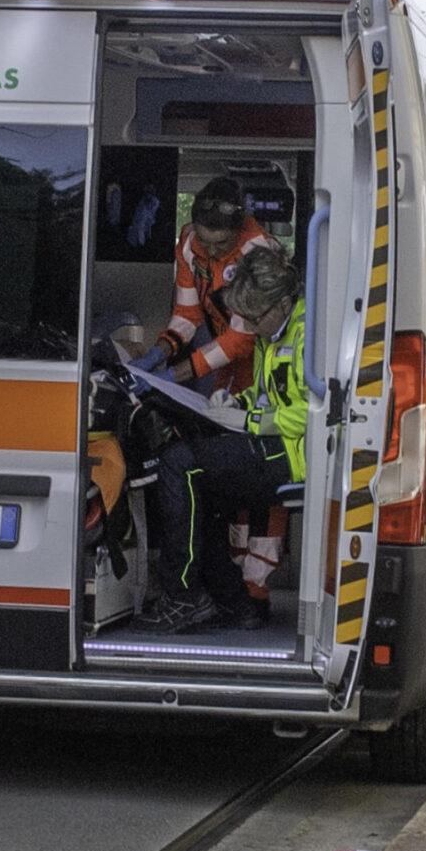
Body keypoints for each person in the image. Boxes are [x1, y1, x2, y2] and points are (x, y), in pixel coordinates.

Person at [140, 247, 307, 632]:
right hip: (274, 442)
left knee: (180, 465)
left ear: (283, 303)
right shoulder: (275, 328)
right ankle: (233, 601)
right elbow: (271, 394)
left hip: (293, 455)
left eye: (255, 318)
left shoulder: (307, 336)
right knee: (199, 487)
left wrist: (248, 418)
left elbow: (311, 414)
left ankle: (183, 596)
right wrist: (237, 400)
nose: (249, 326)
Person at [137, 177, 279, 393]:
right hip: (222, 349)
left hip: (261, 356)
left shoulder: (257, 253)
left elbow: (242, 336)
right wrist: (156, 354)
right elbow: (187, 314)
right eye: (204, 241)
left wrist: (173, 375)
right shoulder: (189, 244)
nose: (211, 252)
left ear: (239, 231)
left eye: (221, 243)